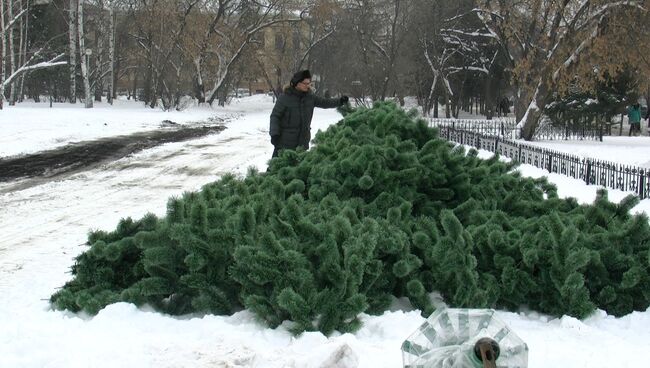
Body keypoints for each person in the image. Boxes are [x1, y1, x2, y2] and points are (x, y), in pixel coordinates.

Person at [269, 70, 349, 158]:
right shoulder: (284, 98)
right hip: (284, 142)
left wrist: (340, 101)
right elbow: (275, 116)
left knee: (299, 170)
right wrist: (274, 134)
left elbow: (325, 102)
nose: (308, 86)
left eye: (309, 83)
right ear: (296, 83)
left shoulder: (310, 97)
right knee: (277, 169)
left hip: (303, 142)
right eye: (305, 83)